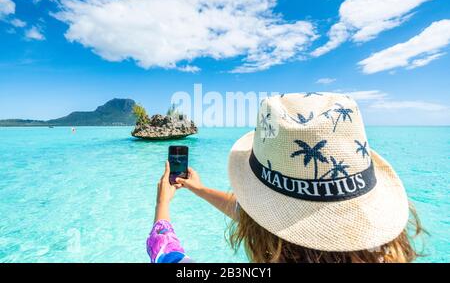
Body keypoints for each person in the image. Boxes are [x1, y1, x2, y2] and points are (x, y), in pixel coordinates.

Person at [147, 93, 424, 263]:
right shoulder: (381, 253)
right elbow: (253, 216)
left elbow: (165, 253)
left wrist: (163, 203)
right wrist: (201, 189)